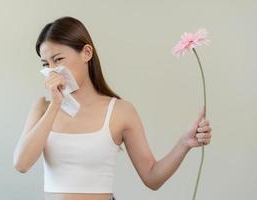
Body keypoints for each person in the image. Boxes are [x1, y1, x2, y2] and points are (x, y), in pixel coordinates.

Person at [13, 16, 213, 200]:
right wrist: (55, 104)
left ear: (86, 53)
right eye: (46, 64)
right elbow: (21, 164)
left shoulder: (121, 111)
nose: (52, 70)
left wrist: (184, 143)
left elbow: (152, 177)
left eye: (58, 60)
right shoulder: (43, 108)